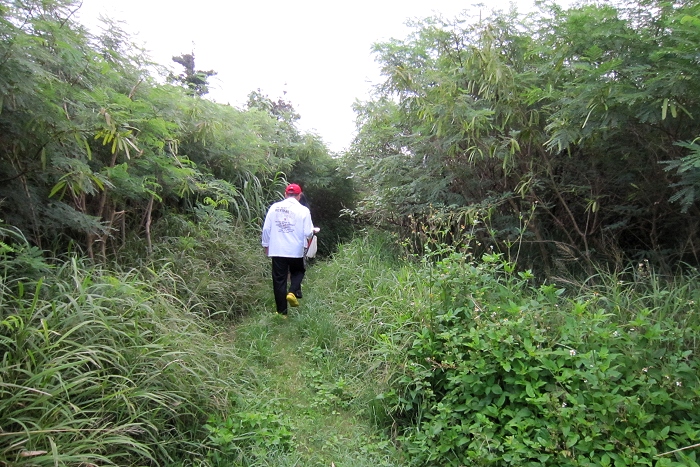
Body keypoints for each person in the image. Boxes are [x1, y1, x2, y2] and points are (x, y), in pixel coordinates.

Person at [261, 183, 317, 316]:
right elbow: (308, 233)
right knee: (298, 271)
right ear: (299, 196)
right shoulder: (303, 210)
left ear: (285, 194)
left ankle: (282, 313)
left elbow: (266, 229)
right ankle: (292, 292)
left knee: (279, 280)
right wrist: (312, 233)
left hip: (277, 249)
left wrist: (266, 245)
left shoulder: (274, 208)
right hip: (295, 249)